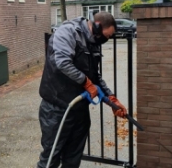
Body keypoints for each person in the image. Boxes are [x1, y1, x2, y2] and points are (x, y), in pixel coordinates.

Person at [37, 12, 127, 168]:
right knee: (51, 158)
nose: (106, 40)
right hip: (56, 110)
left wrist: (111, 98)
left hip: (79, 110)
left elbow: (95, 77)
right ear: (97, 25)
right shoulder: (68, 32)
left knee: (73, 159)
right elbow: (63, 63)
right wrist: (87, 83)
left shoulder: (93, 41)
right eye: (106, 36)